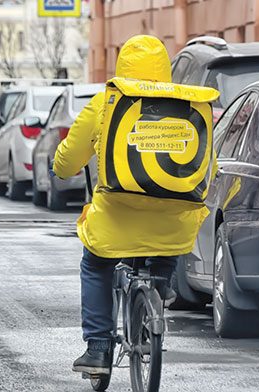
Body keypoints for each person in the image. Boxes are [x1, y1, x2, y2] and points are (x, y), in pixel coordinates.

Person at [53, 35, 216, 375]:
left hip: (116, 218)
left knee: (95, 265)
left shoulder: (106, 104)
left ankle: (98, 349)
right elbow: (208, 167)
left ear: (122, 66)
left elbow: (68, 161)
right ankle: (157, 288)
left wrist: (59, 167)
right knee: (163, 248)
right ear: (165, 69)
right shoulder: (187, 105)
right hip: (174, 222)